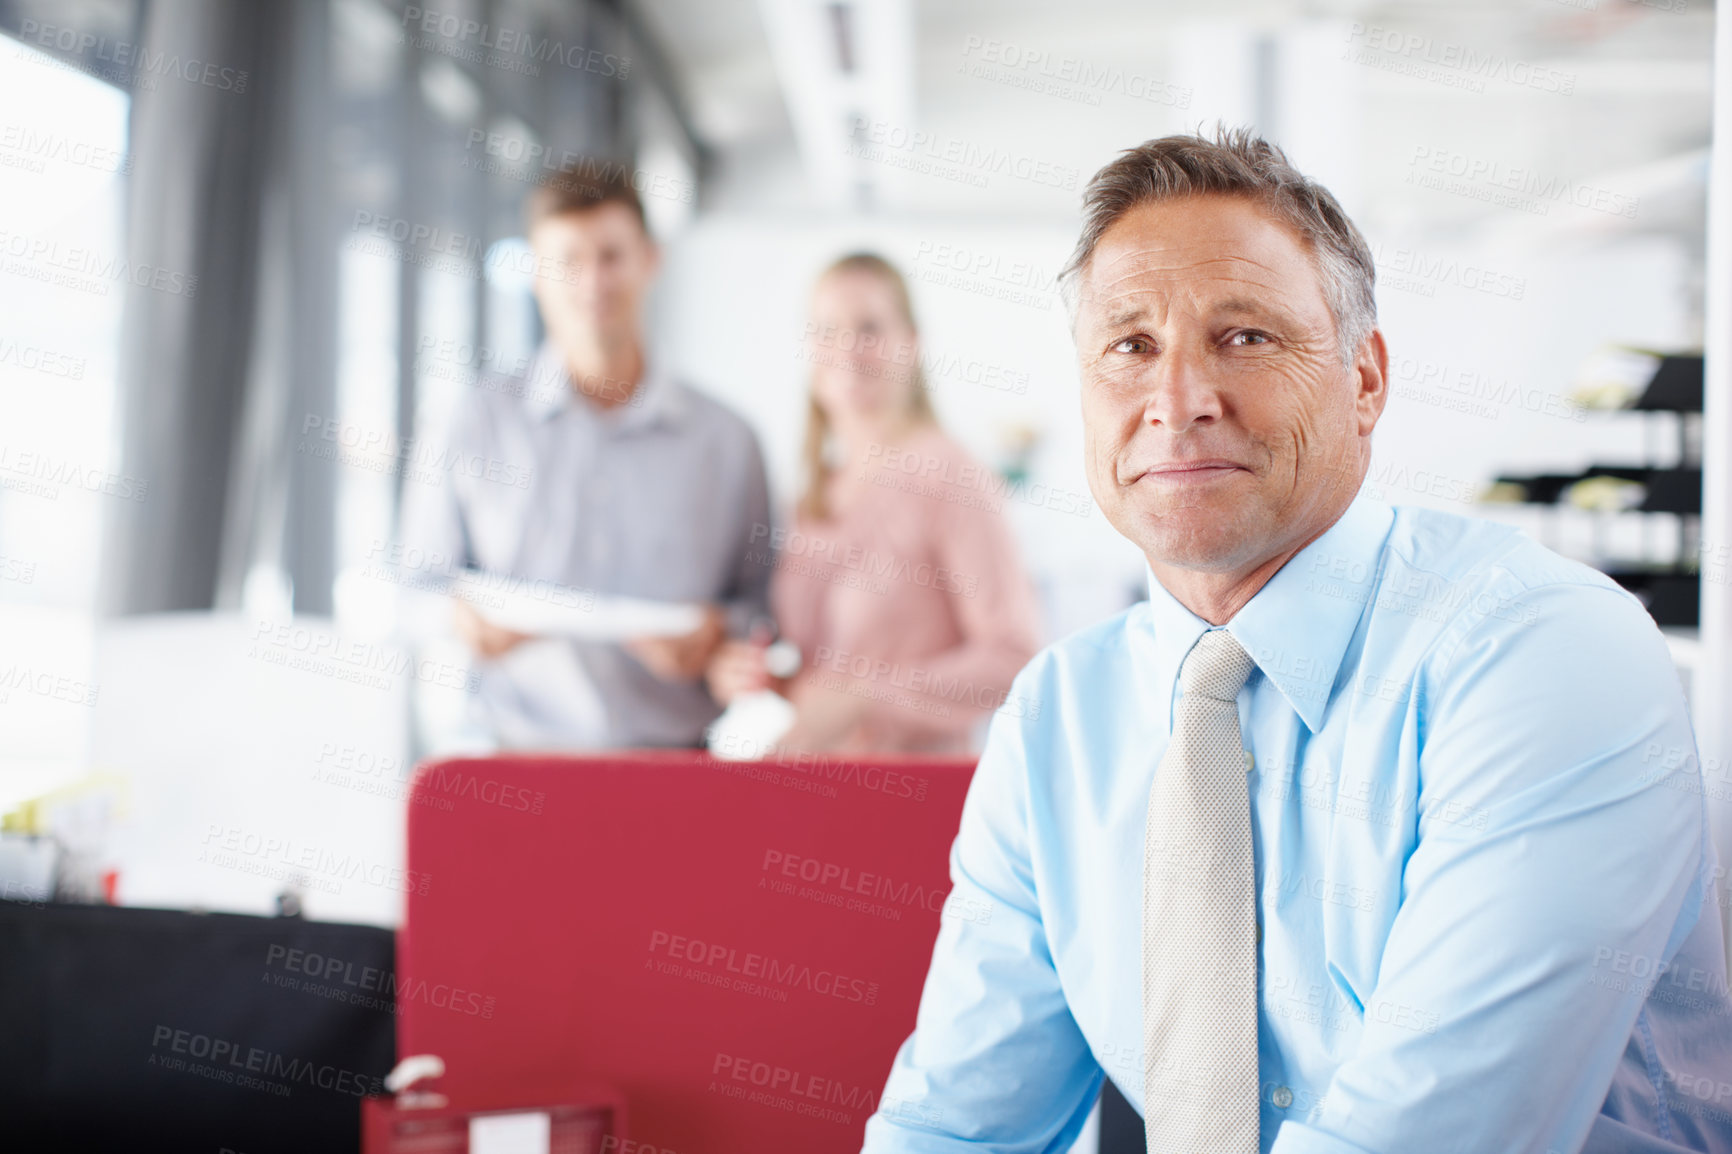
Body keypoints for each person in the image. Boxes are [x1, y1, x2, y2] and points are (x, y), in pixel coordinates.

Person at [861, 129, 1732, 1153]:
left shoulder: (1542, 655)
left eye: (1245, 337)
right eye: (1129, 346)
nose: (1177, 400)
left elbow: (1420, 1137)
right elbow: (957, 1125)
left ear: (1364, 381)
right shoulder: (1060, 715)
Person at [397, 162, 771, 749]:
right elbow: (413, 588)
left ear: (651, 260)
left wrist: (724, 634)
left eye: (611, 256)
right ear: (536, 273)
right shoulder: (471, 421)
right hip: (510, 763)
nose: (593, 282)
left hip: (675, 771)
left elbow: (761, 602)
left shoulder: (727, 441)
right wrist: (458, 618)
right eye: (568, 261)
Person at [705, 253, 1042, 754]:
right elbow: (813, 669)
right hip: (815, 797)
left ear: (912, 343)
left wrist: (866, 698)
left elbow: (1014, 658)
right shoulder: (811, 493)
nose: (847, 349)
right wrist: (752, 674)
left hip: (917, 799)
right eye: (826, 330)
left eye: (869, 328)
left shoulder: (951, 476)